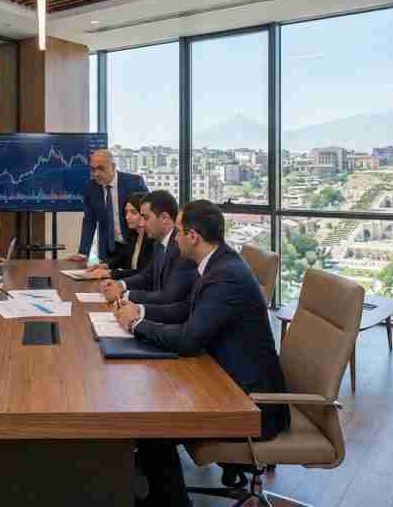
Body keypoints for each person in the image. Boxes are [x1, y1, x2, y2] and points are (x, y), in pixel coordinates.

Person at [114, 200, 290, 507]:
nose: (176, 239)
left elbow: (189, 339)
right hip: (226, 380)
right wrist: (139, 311)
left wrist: (138, 324)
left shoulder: (225, 275)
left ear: (193, 236)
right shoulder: (217, 263)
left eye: (180, 232)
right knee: (151, 414)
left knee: (154, 427)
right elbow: (186, 310)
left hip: (250, 403)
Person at [99, 190, 196, 310]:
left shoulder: (181, 247)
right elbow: (147, 275)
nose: (142, 223)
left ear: (164, 218)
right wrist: (120, 285)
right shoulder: (159, 242)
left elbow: (169, 297)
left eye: (146, 218)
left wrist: (124, 295)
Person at [66, 149, 148, 263]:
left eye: (101, 168)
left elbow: (147, 214)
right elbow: (89, 221)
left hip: (132, 245)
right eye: (93, 169)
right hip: (108, 249)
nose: (96, 174)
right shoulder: (90, 188)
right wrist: (83, 253)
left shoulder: (134, 182)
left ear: (113, 167)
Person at [84, 192, 154, 280]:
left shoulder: (152, 239)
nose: (127, 217)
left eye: (133, 212)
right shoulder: (133, 236)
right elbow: (120, 258)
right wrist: (103, 266)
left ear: (144, 214)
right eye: (126, 212)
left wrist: (109, 273)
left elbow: (142, 272)